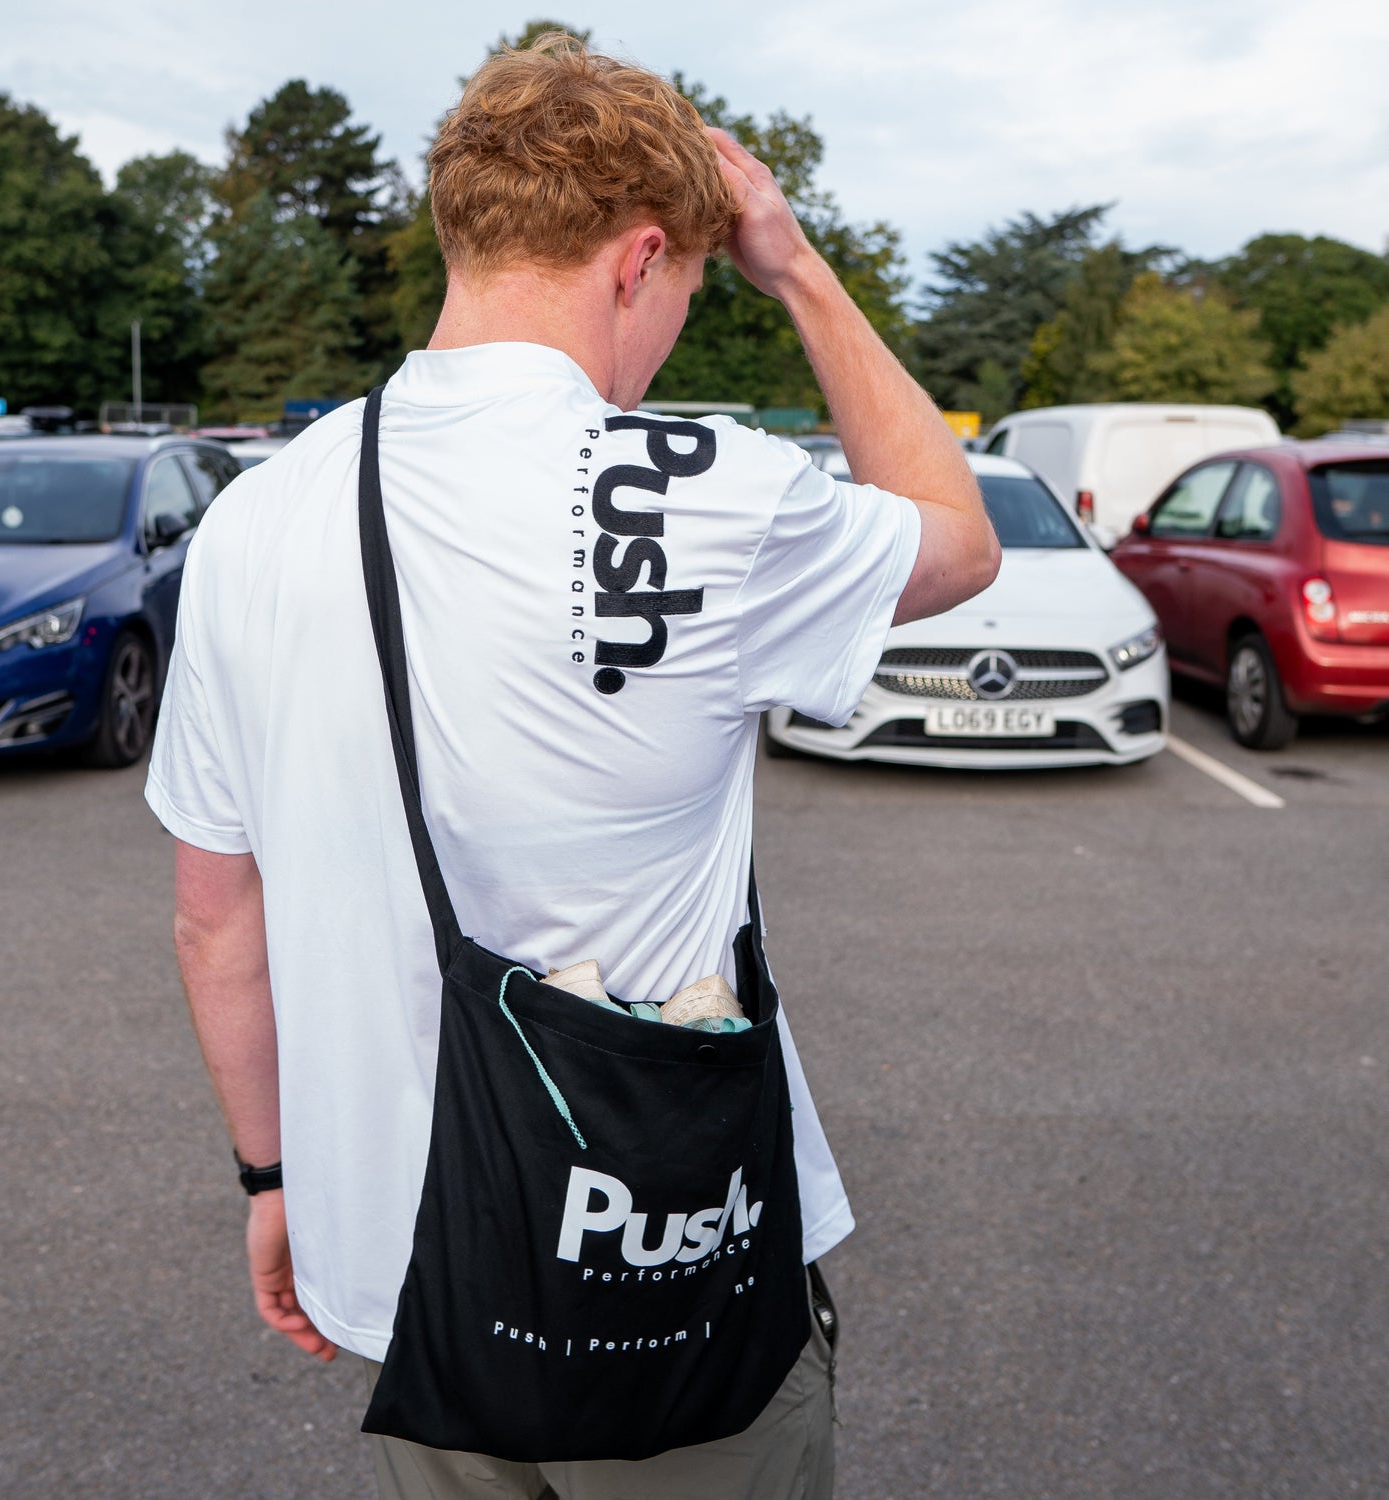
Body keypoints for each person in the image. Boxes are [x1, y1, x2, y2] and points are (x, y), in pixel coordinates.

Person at [146, 33, 999, 1500]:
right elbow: (958, 538)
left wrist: (272, 1180)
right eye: (681, 290)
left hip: (407, 1262)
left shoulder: (257, 517)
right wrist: (793, 266)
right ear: (641, 258)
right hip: (669, 1262)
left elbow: (216, 916)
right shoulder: (718, 498)